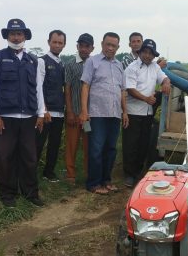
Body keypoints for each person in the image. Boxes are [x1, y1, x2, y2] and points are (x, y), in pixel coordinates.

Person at [0, 18, 45, 207]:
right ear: (7, 36)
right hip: (6, 118)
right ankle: (7, 194)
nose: (16, 37)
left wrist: (41, 113)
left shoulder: (33, 61)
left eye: (19, 34)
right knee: (6, 157)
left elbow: (38, 89)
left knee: (29, 157)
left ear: (25, 36)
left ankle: (30, 193)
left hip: (29, 117)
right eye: (13, 33)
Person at [79, 32, 129, 195]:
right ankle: (93, 183)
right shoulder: (92, 62)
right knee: (96, 148)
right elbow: (85, 86)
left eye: (113, 46)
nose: (110, 48)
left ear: (117, 47)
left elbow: (122, 91)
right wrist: (84, 111)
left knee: (111, 149)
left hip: (115, 113)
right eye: (108, 44)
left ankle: (106, 180)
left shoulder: (119, 65)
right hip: (97, 113)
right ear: (102, 44)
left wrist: (125, 112)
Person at [122, 39, 171, 187]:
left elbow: (164, 77)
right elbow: (130, 89)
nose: (148, 56)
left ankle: (138, 172)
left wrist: (166, 83)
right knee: (131, 144)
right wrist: (146, 98)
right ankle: (129, 175)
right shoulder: (132, 68)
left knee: (144, 144)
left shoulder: (155, 67)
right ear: (140, 52)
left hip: (148, 113)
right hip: (133, 112)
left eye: (151, 53)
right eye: (145, 52)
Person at [35, 30, 67, 183]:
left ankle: (49, 172)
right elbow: (39, 87)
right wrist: (44, 110)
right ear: (49, 42)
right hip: (46, 112)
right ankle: (31, 173)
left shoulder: (62, 64)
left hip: (59, 112)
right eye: (54, 42)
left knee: (54, 144)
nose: (57, 45)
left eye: (60, 43)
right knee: (38, 144)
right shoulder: (42, 61)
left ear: (64, 45)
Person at [63, 33, 94, 184]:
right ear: (77, 46)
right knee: (71, 144)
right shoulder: (70, 64)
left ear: (92, 48)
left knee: (89, 146)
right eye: (81, 45)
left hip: (89, 115)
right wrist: (69, 111)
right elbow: (67, 89)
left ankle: (90, 174)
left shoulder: (95, 64)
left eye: (87, 46)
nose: (84, 49)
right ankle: (70, 175)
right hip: (74, 113)